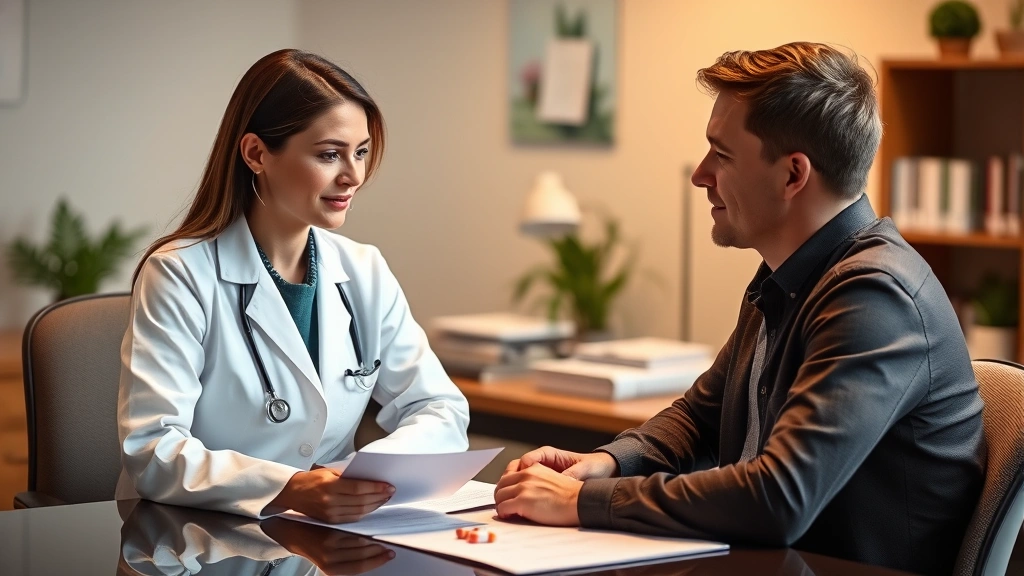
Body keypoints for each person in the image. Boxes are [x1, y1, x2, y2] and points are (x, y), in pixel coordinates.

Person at [495, 42, 985, 576]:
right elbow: (699, 417)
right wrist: (604, 463)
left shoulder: (874, 297)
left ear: (793, 175)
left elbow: (779, 498)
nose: (700, 174)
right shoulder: (788, 277)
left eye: (721, 154)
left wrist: (579, 504)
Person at [116, 49, 469, 523]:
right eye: (329, 154)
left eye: (360, 152)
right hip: (192, 539)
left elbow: (439, 407)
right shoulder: (180, 274)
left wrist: (370, 474)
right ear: (257, 154)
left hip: (326, 536)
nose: (355, 176)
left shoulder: (364, 270)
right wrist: (289, 488)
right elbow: (154, 450)